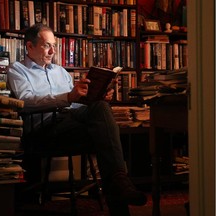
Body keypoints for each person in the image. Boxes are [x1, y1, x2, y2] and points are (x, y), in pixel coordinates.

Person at [8, 23, 147, 216]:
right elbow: (26, 100)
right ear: (30, 47)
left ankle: (119, 181)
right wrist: (67, 97)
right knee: (105, 138)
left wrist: (94, 96)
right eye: (47, 45)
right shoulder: (18, 70)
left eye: (54, 45)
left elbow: (75, 106)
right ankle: (120, 189)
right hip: (44, 128)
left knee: (100, 108)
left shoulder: (60, 71)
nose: (53, 51)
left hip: (70, 120)